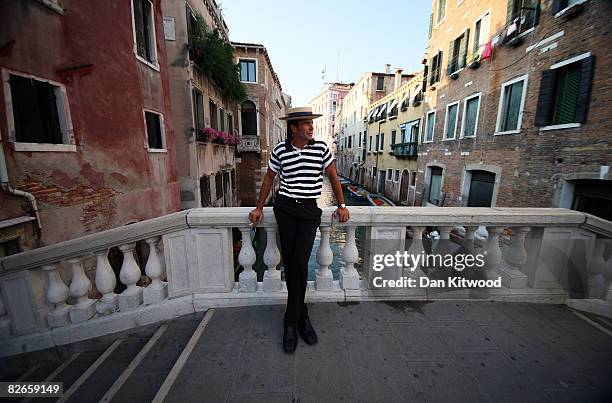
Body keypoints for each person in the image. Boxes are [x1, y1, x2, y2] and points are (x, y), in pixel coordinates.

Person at [248, 106, 350, 354]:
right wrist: (259, 207)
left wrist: (342, 205)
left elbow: (334, 178)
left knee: (300, 262)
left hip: (308, 211)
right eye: (305, 123)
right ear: (293, 128)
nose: (310, 127)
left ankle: (290, 321)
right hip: (285, 209)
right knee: (293, 264)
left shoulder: (321, 149)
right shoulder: (280, 150)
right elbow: (270, 179)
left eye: (311, 123)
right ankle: (301, 316)